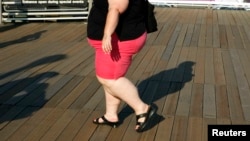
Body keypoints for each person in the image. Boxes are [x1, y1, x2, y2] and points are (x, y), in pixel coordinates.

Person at [87, 0, 157, 132]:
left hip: (119, 39)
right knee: (109, 77)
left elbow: (115, 8)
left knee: (110, 79)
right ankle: (111, 115)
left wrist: (107, 34)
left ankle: (142, 108)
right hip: (116, 38)